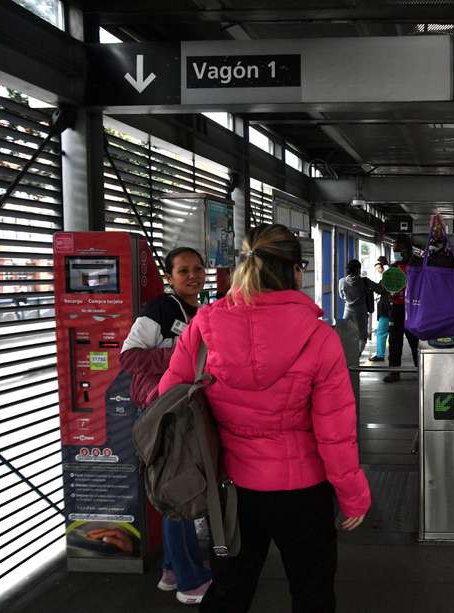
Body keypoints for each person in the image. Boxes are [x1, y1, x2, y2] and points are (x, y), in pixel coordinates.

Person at [158, 224, 370, 613]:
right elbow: (334, 431)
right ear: (295, 271)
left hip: (232, 487)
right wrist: (353, 495)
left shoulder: (203, 326)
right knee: (312, 592)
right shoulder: (319, 337)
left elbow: (168, 399)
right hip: (304, 490)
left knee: (230, 591)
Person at [120, 247, 212, 605]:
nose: (193, 275)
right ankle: (190, 582)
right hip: (162, 411)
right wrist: (182, 354)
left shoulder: (201, 310)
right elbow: (129, 357)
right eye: (183, 270)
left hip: (183, 412)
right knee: (179, 490)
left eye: (198, 268)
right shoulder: (160, 309)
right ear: (169, 277)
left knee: (177, 485)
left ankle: (173, 570)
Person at [384, 236, 420, 383]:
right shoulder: (394, 267)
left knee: (416, 340)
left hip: (413, 307)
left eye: (397, 250)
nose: (395, 253)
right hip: (398, 307)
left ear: (406, 250)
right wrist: (389, 294)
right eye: (394, 251)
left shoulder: (418, 265)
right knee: (394, 339)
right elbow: (387, 286)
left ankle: (422, 368)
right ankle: (394, 371)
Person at [338, 259, 383, 356]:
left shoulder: (341, 281)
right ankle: (358, 353)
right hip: (361, 312)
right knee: (362, 336)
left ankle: (348, 355)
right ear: (359, 269)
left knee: (347, 335)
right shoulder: (364, 281)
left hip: (347, 312)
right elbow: (379, 289)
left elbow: (341, 296)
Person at [369, 256, 392, 362]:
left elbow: (379, 289)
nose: (378, 270)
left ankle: (380, 354)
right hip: (391, 308)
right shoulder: (391, 276)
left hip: (386, 309)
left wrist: (367, 282)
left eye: (379, 267)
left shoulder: (387, 277)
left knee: (381, 332)